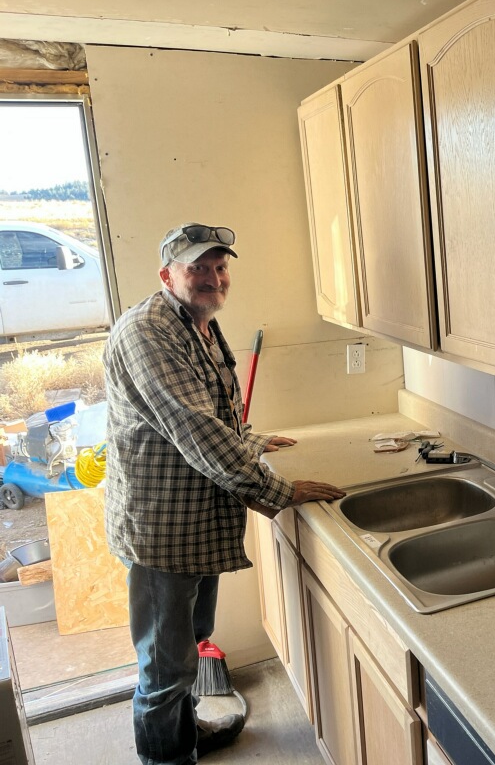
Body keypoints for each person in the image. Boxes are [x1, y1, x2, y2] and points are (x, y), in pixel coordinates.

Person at [103, 222, 346, 764]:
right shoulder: (148, 333)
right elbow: (194, 428)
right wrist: (279, 489)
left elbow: (216, 412)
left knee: (190, 642)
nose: (213, 277)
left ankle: (184, 733)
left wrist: (253, 440)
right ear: (167, 275)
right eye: (198, 268)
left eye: (219, 267)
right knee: (165, 670)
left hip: (196, 523)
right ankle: (167, 758)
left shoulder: (198, 323)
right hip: (161, 529)